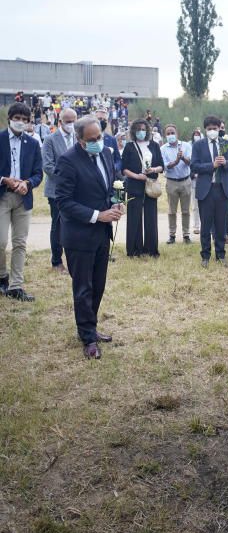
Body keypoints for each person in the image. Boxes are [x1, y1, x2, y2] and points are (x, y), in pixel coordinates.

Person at [55, 115, 123, 359]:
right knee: (83, 288)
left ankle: (90, 326)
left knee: (98, 285)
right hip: (79, 235)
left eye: (100, 137)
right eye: (91, 139)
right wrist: (97, 215)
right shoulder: (67, 161)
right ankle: (87, 338)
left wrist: (116, 204)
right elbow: (63, 202)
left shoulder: (105, 153)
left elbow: (107, 188)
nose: (97, 142)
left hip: (101, 234)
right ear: (80, 140)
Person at [0, 102, 43, 301]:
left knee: (20, 243)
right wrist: (4, 179)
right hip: (3, 196)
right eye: (17, 118)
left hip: (23, 198)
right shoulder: (0, 139)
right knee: (1, 242)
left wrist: (28, 183)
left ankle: (16, 286)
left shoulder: (33, 143)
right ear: (10, 118)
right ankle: (2, 277)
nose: (21, 122)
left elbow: (38, 173)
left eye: (25, 120)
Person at [191, 115, 228, 267]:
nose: (212, 131)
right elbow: (194, 165)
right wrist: (211, 165)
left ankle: (221, 254)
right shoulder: (198, 145)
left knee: (220, 224)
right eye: (209, 129)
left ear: (220, 129)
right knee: (206, 224)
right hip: (206, 189)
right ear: (205, 130)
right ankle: (205, 255)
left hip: (222, 189)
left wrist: (226, 163)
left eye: (215, 128)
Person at [42, 108, 78, 273]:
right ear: (60, 122)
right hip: (57, 191)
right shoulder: (50, 139)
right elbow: (48, 166)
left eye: (74, 121)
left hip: (77, 190)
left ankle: (74, 259)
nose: (71, 124)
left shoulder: (78, 137)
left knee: (75, 224)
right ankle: (56, 261)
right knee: (58, 225)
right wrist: (69, 178)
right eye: (68, 121)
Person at [122, 119, 163, 258]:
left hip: (151, 184)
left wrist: (153, 169)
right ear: (134, 131)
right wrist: (136, 176)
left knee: (151, 218)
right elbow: (124, 168)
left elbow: (161, 166)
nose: (141, 132)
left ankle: (151, 249)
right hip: (134, 185)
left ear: (148, 130)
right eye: (138, 129)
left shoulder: (155, 145)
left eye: (143, 129)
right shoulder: (129, 146)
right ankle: (134, 249)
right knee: (134, 218)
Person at [161, 123, 192, 244]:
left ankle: (186, 235)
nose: (170, 135)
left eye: (172, 133)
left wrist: (183, 158)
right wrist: (176, 161)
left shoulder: (186, 145)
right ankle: (172, 235)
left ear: (177, 133)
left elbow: (191, 162)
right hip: (171, 182)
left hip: (185, 181)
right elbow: (165, 166)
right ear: (165, 135)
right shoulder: (163, 149)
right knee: (171, 211)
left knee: (185, 211)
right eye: (168, 133)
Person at [95, 107, 120, 173]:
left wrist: (114, 168)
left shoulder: (112, 139)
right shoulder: (88, 138)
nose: (102, 121)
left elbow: (118, 160)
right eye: (99, 119)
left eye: (105, 120)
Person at [190, 129, 202, 234]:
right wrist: (194, 174)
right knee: (195, 206)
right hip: (194, 181)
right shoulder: (190, 148)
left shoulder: (205, 149)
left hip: (204, 181)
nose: (197, 136)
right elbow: (189, 167)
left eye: (198, 134)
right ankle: (196, 226)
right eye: (195, 134)